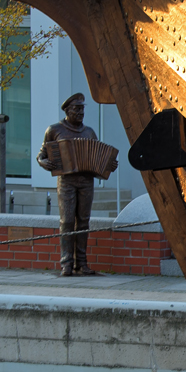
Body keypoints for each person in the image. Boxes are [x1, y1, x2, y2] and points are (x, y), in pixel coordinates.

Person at [37, 93, 118, 277]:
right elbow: (41, 155)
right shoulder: (54, 130)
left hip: (86, 182)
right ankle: (66, 263)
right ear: (67, 110)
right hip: (66, 182)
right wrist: (44, 163)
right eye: (77, 109)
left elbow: (98, 157)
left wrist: (109, 165)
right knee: (66, 221)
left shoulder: (89, 132)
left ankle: (82, 263)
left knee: (83, 222)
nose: (81, 112)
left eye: (82, 109)